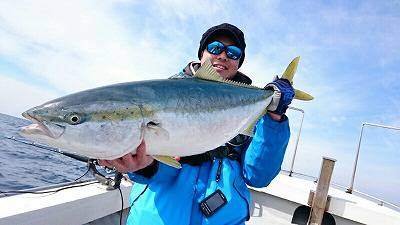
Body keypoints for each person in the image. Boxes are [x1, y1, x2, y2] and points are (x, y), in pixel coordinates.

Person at [99, 23, 294, 225]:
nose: (223, 55)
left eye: (233, 52)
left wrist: (274, 119)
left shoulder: (249, 110)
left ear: (238, 62)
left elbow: (258, 177)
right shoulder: (166, 95)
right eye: (215, 47)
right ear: (202, 53)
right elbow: (164, 173)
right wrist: (146, 166)